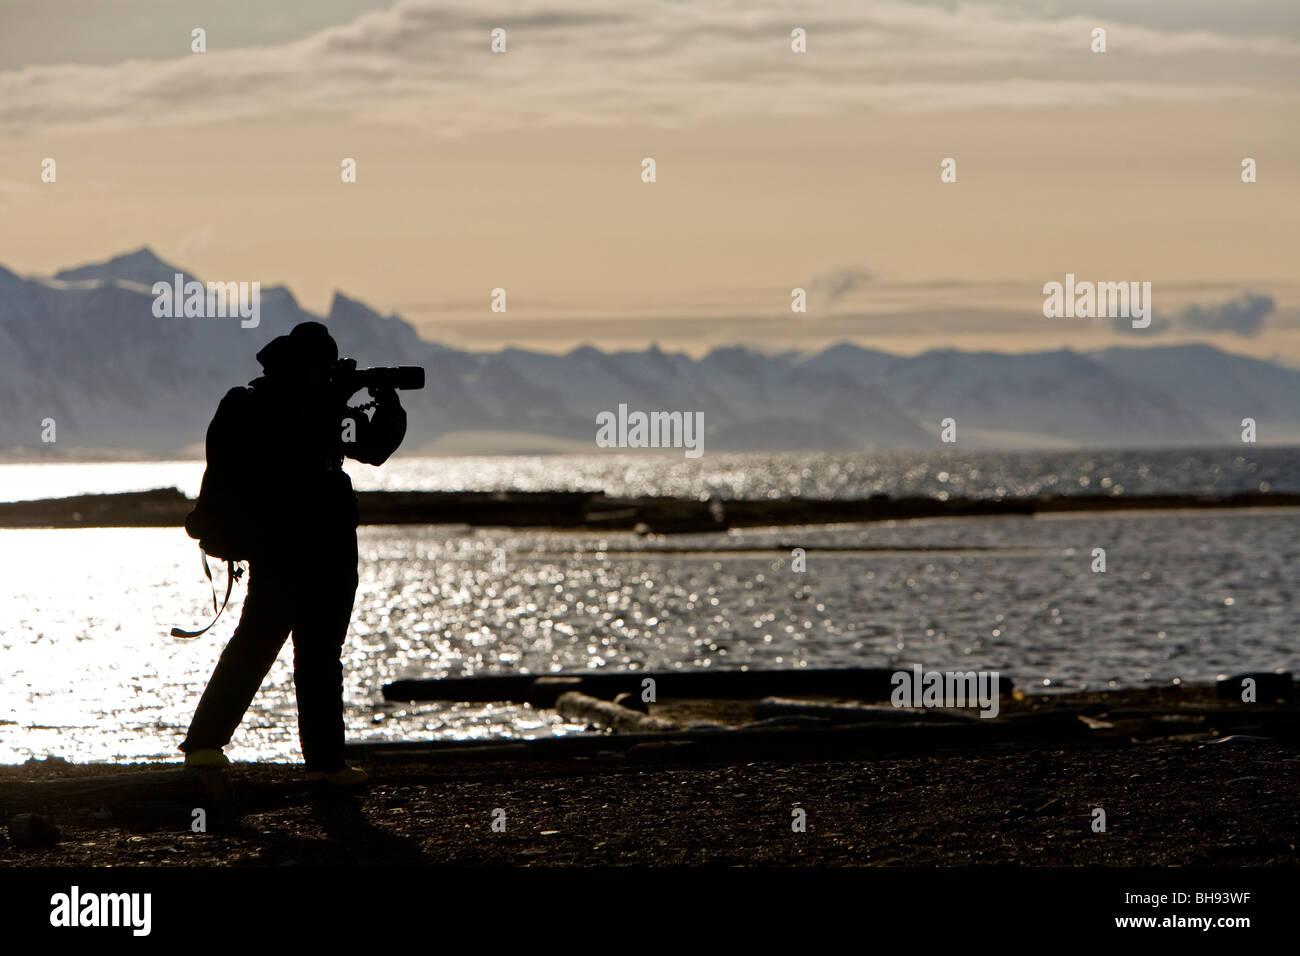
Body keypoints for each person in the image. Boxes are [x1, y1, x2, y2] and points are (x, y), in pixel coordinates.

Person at [178, 321, 406, 786]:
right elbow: (375, 444)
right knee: (316, 656)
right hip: (314, 548)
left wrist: (366, 399)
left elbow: (368, 445)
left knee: (259, 647)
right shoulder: (301, 407)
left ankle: (206, 745)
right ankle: (323, 765)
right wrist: (380, 403)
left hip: (281, 548)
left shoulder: (249, 404)